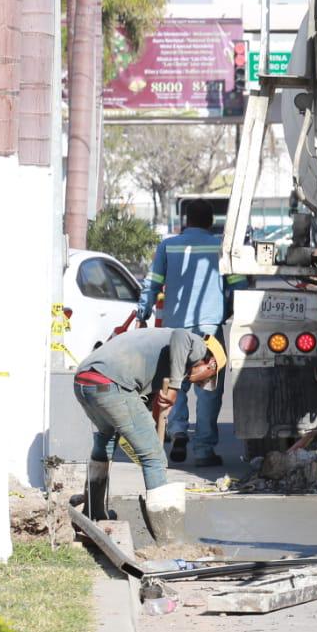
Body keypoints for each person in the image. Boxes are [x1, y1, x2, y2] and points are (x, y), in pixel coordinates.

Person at [75, 327, 225, 544]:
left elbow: (152, 405)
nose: (198, 384)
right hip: (112, 383)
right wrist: (175, 387)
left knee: (106, 440)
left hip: (84, 381)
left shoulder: (162, 354)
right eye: (206, 379)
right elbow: (181, 336)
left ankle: (93, 513)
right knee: (154, 457)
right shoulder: (198, 346)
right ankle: (169, 540)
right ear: (211, 364)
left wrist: (157, 425)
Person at [136, 198, 244, 467]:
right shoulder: (221, 247)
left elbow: (152, 283)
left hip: (174, 331)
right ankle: (205, 450)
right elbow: (238, 285)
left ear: (186, 221)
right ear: (211, 222)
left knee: (176, 383)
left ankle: (178, 431)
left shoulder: (168, 246)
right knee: (208, 388)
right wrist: (233, 309)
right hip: (208, 332)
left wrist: (143, 312)